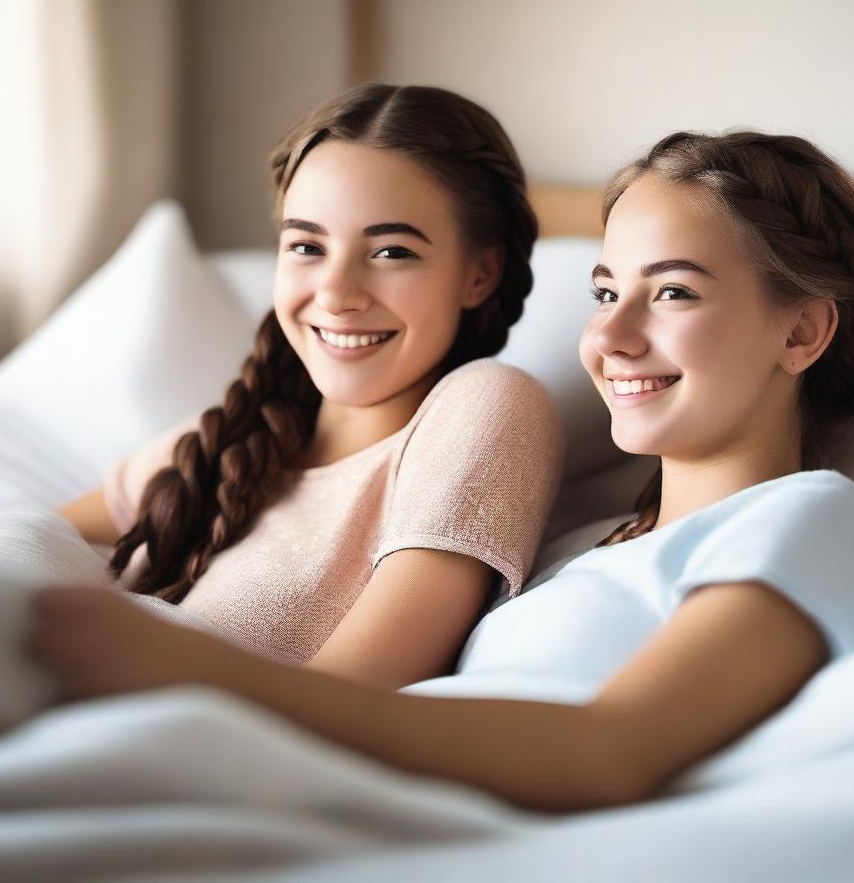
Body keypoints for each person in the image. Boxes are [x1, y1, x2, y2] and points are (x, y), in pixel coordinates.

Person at [23, 129, 854, 814]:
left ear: (800, 330)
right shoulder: (578, 546)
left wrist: (185, 672)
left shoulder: (805, 517)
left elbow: (612, 753)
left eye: (672, 291)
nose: (610, 335)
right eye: (605, 292)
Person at [52, 82, 565, 688]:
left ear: (480, 275)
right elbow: (28, 546)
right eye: (306, 245)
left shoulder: (488, 406)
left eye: (392, 251)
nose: (335, 293)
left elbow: (346, 696)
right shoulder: (224, 445)